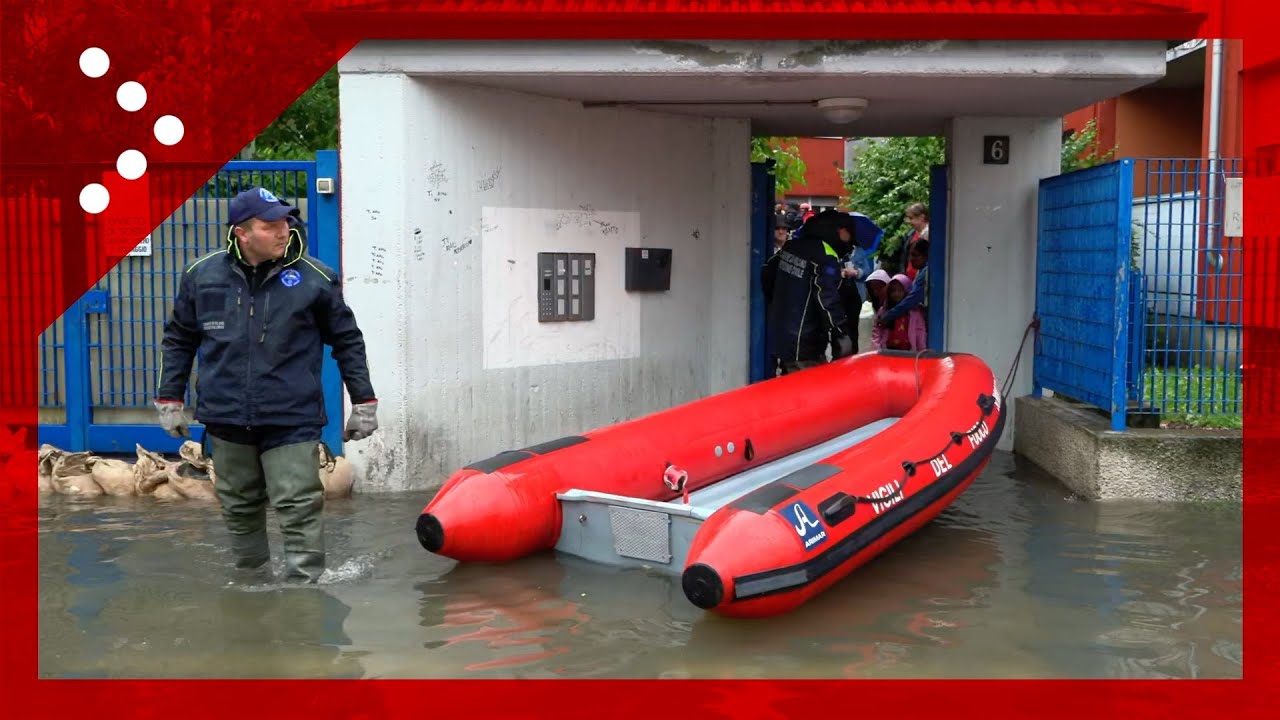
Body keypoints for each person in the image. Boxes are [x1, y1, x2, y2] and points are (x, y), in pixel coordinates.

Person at [155, 186, 378, 583]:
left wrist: (363, 401)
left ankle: (304, 592)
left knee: (297, 504)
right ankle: (252, 584)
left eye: (285, 223)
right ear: (242, 233)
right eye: (270, 225)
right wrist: (169, 398)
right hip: (226, 413)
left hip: (291, 413)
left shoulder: (315, 279)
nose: (283, 231)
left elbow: (347, 340)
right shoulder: (201, 275)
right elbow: (180, 338)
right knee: (238, 505)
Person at [763, 211, 852, 374]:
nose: (851, 237)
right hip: (805, 341)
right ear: (839, 230)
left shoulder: (792, 246)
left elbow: (768, 273)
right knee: (810, 387)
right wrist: (841, 330)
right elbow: (827, 298)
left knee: (789, 382)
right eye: (849, 231)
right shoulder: (826, 256)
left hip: (782, 334)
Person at [878, 239, 931, 351]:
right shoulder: (922, 271)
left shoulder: (925, 273)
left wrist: (889, 316)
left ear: (925, 257)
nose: (911, 259)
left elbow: (912, 300)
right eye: (910, 255)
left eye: (915, 255)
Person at [864, 269, 891, 350]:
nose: (876, 292)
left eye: (879, 288)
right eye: (873, 289)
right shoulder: (880, 310)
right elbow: (876, 332)